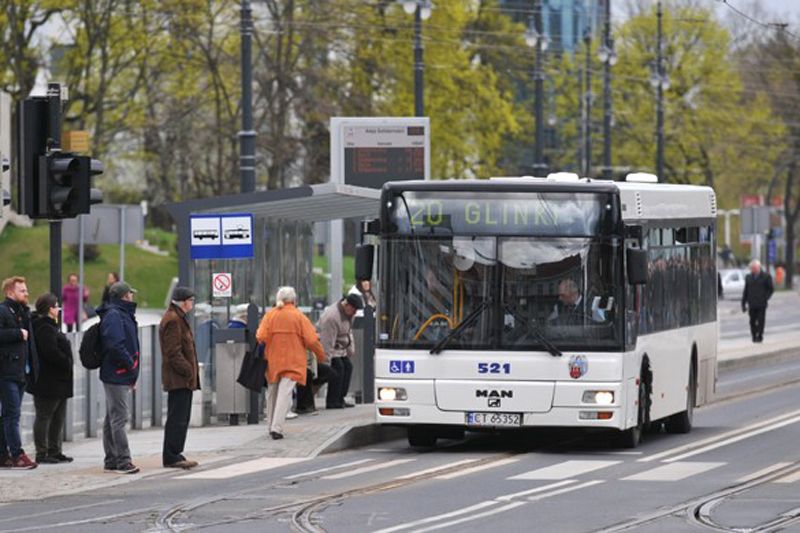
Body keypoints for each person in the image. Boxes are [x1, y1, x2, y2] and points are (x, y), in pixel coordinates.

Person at [256, 287, 325, 440]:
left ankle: (270, 426)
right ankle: (277, 428)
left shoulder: (270, 315)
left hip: (273, 360)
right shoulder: (299, 317)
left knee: (272, 393)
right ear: (294, 300)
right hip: (293, 361)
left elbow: (260, 336)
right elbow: (312, 340)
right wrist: (321, 355)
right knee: (284, 393)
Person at [97, 281, 140, 474]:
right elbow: (115, 345)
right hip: (117, 372)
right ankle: (123, 460)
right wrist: (130, 365)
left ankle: (111, 459)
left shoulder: (121, 313)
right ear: (125, 296)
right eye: (131, 294)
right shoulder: (115, 315)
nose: (132, 296)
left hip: (119, 372)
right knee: (119, 418)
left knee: (112, 417)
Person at [28, 293, 73, 464]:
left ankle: (55, 450)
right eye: (56, 306)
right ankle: (42, 452)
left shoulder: (51, 326)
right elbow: (50, 352)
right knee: (45, 415)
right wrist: (65, 361)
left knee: (58, 417)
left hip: (58, 381)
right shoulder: (44, 327)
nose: (58, 309)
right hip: (48, 381)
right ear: (49, 309)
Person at [159, 286, 200, 469]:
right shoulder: (173, 320)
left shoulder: (177, 318)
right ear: (184, 301)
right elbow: (172, 352)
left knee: (181, 417)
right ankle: (171, 455)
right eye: (191, 300)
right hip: (178, 379)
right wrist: (188, 370)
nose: (192, 303)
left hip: (182, 379)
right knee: (177, 418)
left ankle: (175, 452)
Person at [0, 276, 39, 469]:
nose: (26, 293)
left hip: (20, 372)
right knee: (12, 415)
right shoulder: (3, 311)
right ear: (10, 293)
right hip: (7, 372)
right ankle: (17, 454)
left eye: (26, 290)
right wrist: (17, 333)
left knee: (8, 415)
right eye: (22, 291)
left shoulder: (24, 313)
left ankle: (3, 454)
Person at [318, 293, 363, 409]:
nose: (355, 313)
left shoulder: (349, 314)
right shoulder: (332, 317)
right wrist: (326, 363)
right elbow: (326, 342)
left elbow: (348, 332)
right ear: (346, 305)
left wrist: (350, 349)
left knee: (348, 367)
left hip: (340, 348)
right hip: (330, 348)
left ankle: (340, 398)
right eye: (354, 309)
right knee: (338, 368)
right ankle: (332, 401)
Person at [742, 259, 774, 343]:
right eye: (752, 268)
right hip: (752, 303)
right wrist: (743, 303)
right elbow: (745, 291)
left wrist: (765, 298)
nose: (753, 270)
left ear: (759, 267)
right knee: (752, 321)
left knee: (760, 320)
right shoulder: (748, 277)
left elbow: (770, 289)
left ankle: (760, 335)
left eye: (755, 268)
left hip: (761, 303)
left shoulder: (766, 276)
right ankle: (754, 335)